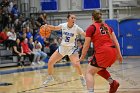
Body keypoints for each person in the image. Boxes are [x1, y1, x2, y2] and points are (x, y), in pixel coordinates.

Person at [79, 10, 123, 93]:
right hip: (113, 52)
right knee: (98, 68)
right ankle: (113, 83)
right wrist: (119, 55)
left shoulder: (91, 27)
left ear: (92, 18)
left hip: (104, 52)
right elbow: (116, 41)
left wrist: (82, 56)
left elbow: (86, 45)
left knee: (89, 72)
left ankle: (91, 91)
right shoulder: (107, 26)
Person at [42, 13, 86, 86]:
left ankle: (82, 77)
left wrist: (93, 35)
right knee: (50, 62)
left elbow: (85, 34)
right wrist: (47, 26)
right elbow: (55, 27)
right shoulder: (63, 25)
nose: (74, 19)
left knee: (77, 64)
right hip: (62, 48)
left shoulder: (77, 28)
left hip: (72, 49)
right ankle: (50, 77)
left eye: (75, 18)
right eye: (72, 18)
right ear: (68, 19)